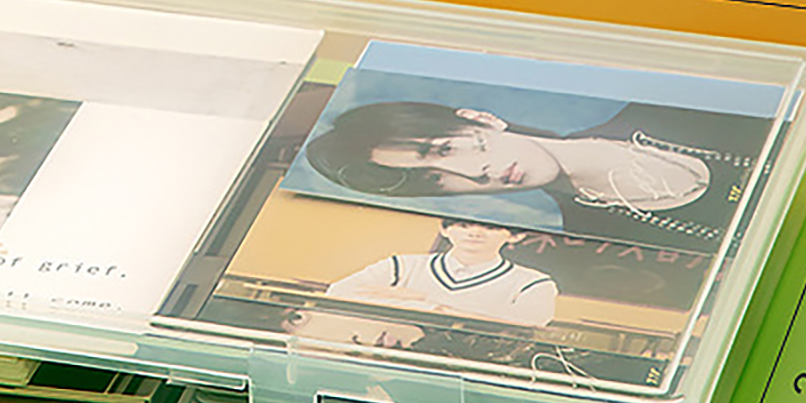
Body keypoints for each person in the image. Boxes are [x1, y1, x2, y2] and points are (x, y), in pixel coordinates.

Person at [303, 99, 767, 245]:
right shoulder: (594, 237)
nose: (476, 172)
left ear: (480, 118)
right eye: (436, 178)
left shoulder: (668, 109)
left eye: (444, 147)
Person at [327, 219, 557, 326]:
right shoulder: (402, 264)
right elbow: (337, 292)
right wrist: (432, 307)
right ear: (445, 230)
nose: (474, 233)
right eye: (463, 225)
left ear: (516, 236)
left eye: (491, 227)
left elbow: (529, 324)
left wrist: (424, 300)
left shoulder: (533, 283)